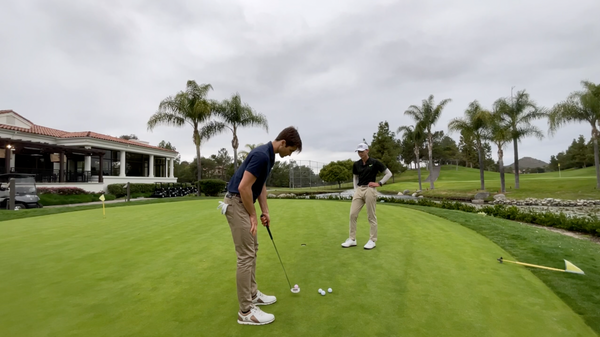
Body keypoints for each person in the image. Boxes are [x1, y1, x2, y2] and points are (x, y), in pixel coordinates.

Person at [220, 126, 302, 325]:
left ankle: (253, 294)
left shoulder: (269, 156)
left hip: (243, 202)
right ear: (283, 143)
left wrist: (265, 210)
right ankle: (245, 311)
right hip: (237, 202)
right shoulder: (262, 155)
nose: (289, 155)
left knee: (252, 251)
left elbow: (260, 185)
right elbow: (244, 187)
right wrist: (253, 215)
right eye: (290, 151)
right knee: (245, 256)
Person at [341, 142, 392, 250]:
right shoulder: (356, 164)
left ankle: (372, 240)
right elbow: (355, 178)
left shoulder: (375, 162)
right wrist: (355, 190)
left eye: (362, 151)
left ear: (367, 151)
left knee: (371, 216)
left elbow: (388, 174)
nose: (360, 153)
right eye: (358, 151)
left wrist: (379, 183)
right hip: (359, 190)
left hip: (370, 190)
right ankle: (352, 239)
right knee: (352, 214)